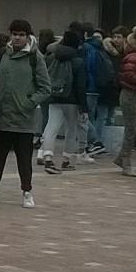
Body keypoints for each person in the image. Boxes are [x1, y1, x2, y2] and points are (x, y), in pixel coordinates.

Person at [0, 19, 50, 208]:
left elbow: (45, 88)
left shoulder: (35, 57)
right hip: (1, 115)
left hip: (23, 118)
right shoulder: (2, 54)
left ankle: (27, 191)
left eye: (21, 35)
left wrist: (28, 103)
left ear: (27, 36)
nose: (17, 38)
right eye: (15, 34)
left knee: (24, 158)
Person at [39, 29, 87, 175]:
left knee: (51, 127)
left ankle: (47, 156)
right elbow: (81, 86)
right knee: (71, 130)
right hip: (72, 100)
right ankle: (66, 160)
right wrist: (84, 107)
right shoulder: (78, 61)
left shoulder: (51, 57)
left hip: (54, 97)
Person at [113, 27, 136, 176]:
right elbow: (129, 75)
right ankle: (126, 162)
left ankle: (122, 158)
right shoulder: (135, 56)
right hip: (130, 94)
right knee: (131, 129)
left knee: (134, 128)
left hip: (133, 94)